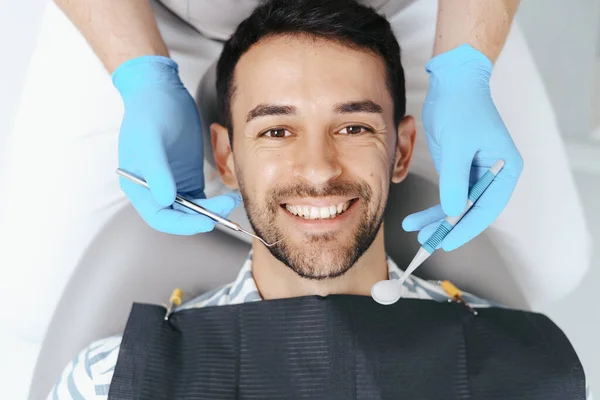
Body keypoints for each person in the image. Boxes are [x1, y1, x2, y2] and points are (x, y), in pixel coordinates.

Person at [49, 1, 591, 398]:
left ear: (403, 149)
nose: (318, 170)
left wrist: (465, 67)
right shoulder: (110, 381)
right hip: (163, 16)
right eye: (277, 132)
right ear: (227, 158)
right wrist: (140, 74)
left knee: (562, 258)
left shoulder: (525, 371)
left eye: (354, 128)